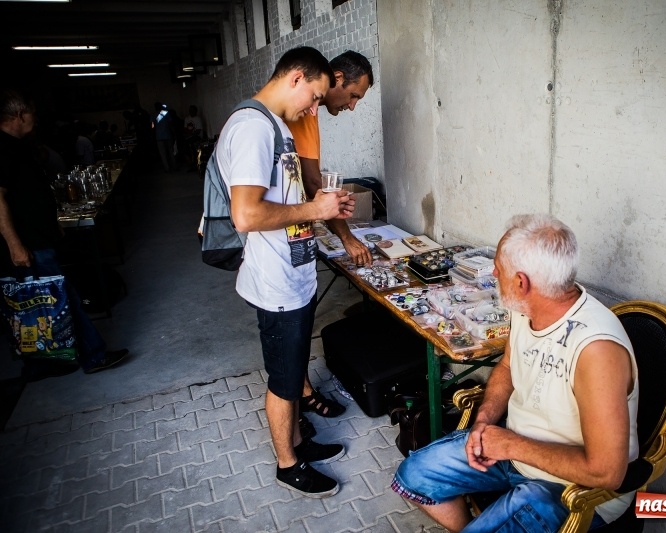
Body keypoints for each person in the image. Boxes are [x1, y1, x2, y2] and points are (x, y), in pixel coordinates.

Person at [391, 213, 640, 532]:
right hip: (513, 452)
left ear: (522, 283)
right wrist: (483, 423)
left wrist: (509, 445)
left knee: (526, 499)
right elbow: (508, 366)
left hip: (573, 488)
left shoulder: (596, 350)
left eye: (499, 268)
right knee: (413, 476)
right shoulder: (527, 308)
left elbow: (606, 472)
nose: (494, 273)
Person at [219, 47, 355, 498]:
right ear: (296, 78)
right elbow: (246, 215)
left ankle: (299, 441)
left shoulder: (275, 125)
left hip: (292, 275)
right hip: (274, 282)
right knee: (283, 380)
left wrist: (322, 208)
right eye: (314, 96)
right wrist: (315, 210)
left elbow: (284, 200)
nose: (314, 108)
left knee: (294, 371)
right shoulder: (252, 128)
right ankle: (287, 464)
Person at [0, 89, 130, 378]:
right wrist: (14, 245)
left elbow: (29, 194)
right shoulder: (3, 149)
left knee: (40, 302)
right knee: (56, 299)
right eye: (32, 113)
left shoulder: (18, 146)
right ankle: (91, 356)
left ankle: (41, 363)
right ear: (19, 114)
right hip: (29, 244)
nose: (35, 118)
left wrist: (52, 223)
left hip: (39, 237)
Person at [286, 50, 374, 423]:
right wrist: (346, 238)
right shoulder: (295, 111)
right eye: (353, 96)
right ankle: (297, 399)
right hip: (278, 242)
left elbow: (312, 182)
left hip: (294, 235)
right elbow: (311, 184)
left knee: (298, 318)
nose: (352, 106)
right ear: (335, 78)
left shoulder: (308, 113)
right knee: (288, 326)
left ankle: (299, 391)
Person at [151, 102, 176, 172]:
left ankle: (167, 168)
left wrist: (153, 135)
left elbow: (152, 127)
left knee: (163, 154)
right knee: (171, 152)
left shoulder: (153, 115)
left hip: (159, 137)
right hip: (167, 135)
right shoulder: (166, 113)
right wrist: (174, 134)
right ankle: (174, 166)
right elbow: (171, 124)